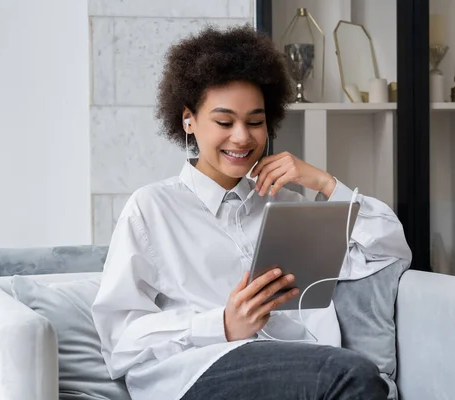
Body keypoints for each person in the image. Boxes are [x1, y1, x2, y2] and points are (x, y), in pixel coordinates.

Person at [91, 24, 412, 400]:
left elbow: (389, 249)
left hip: (305, 367)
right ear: (188, 120)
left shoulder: (287, 206)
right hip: (200, 370)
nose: (242, 137)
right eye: (224, 122)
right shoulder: (152, 209)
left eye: (255, 122)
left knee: (351, 374)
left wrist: (324, 183)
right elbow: (119, 339)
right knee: (354, 376)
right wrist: (221, 325)